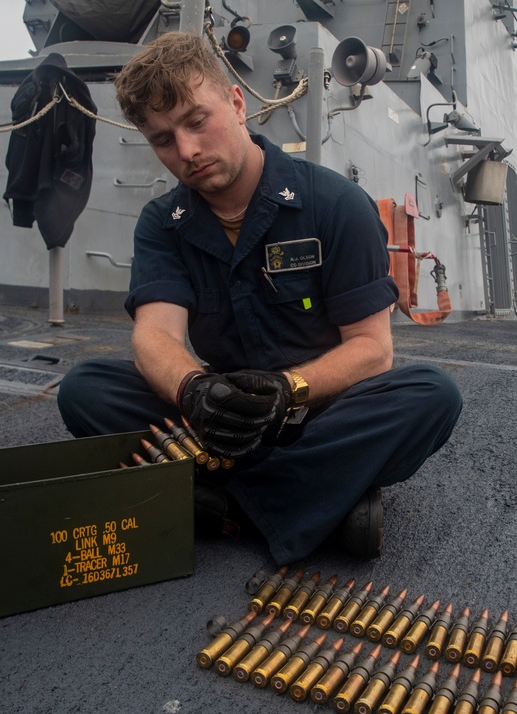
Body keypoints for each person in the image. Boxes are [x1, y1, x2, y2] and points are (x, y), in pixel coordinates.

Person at [57, 32, 463, 566]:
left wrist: (287, 389)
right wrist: (194, 389)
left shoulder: (335, 204)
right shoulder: (163, 224)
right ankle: (317, 498)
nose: (186, 152)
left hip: (318, 412)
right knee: (85, 389)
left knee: (431, 395)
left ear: (236, 101)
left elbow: (371, 349)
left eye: (196, 121)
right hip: (215, 417)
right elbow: (155, 334)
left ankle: (217, 505)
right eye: (162, 139)